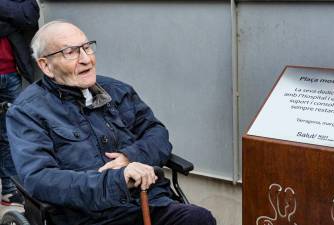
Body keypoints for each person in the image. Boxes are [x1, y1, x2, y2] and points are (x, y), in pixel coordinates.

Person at [6, 20, 216, 225]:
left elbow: (157, 133)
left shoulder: (118, 91)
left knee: (199, 218)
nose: (86, 59)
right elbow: (40, 179)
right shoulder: (27, 111)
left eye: (87, 47)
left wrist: (130, 157)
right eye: (70, 52)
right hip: (88, 215)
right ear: (46, 66)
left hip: (148, 202)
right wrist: (118, 179)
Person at [0, 0, 39, 206]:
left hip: (11, 74)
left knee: (11, 133)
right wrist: (12, 19)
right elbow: (19, 18)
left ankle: (8, 190)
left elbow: (30, 17)